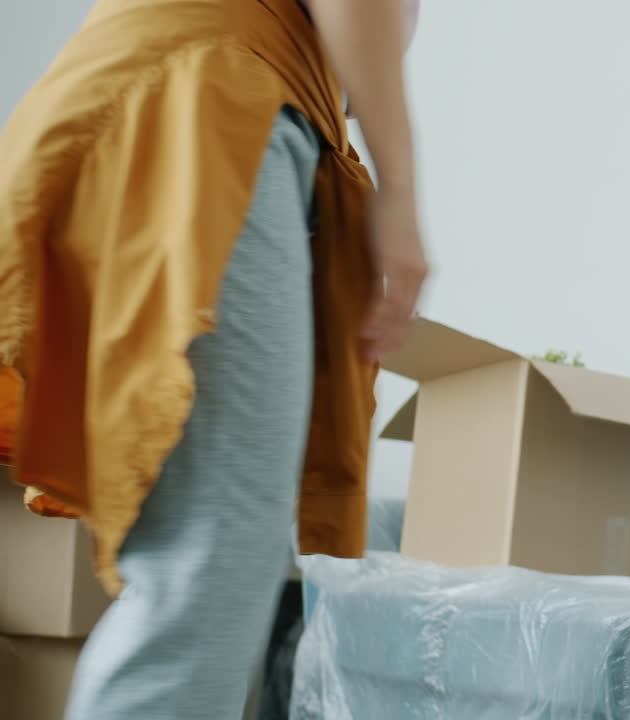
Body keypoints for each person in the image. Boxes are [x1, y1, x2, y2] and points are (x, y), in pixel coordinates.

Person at [0, 0, 428, 717]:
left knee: (211, 561)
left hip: (190, 98)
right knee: (210, 562)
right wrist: (403, 196)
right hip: (209, 104)